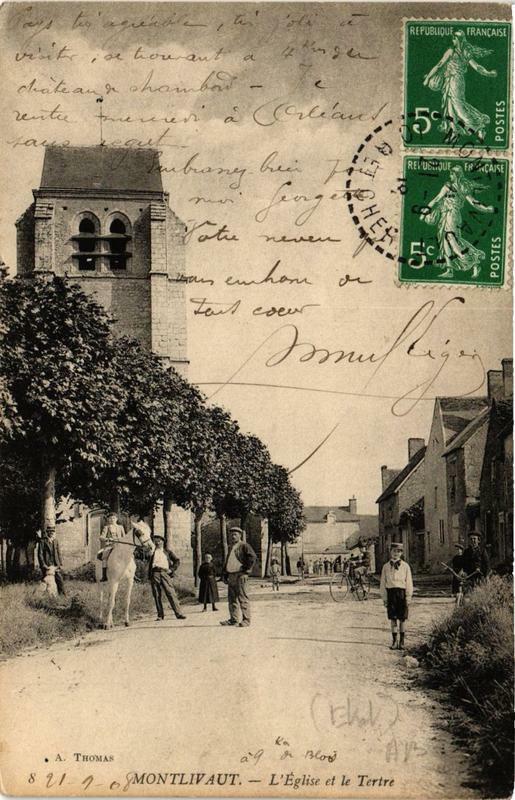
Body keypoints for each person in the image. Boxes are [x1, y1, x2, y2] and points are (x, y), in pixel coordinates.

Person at [420, 165, 495, 279]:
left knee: (451, 238)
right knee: (446, 241)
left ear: (457, 175)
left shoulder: (463, 187)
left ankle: (473, 261)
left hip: (453, 215)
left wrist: (486, 209)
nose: (450, 176)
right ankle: (450, 269)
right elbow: (437, 199)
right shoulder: (447, 186)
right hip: (445, 215)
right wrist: (427, 209)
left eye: (452, 174)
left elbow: (473, 202)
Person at [423, 30, 497, 142]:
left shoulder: (451, 51)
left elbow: (439, 66)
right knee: (450, 108)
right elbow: (477, 67)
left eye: (454, 38)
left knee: (459, 107)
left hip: (454, 81)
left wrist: (428, 78)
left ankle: (479, 128)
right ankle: (454, 132)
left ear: (458, 39)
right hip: (454, 81)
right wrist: (488, 73)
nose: (452, 40)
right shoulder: (466, 52)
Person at [380, 543, 413, 651]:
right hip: (391, 594)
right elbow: (382, 583)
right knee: (393, 618)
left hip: (402, 594)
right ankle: (394, 641)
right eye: (394, 551)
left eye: (398, 551)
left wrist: (408, 597)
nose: (396, 553)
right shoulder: (385, 566)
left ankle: (402, 642)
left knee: (402, 618)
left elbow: (409, 582)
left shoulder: (405, 566)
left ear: (401, 553)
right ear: (390, 552)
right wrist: (384, 598)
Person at [220, 527, 256, 627]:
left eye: (235, 534)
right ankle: (233, 619)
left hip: (240, 575)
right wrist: (225, 574)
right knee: (232, 599)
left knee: (242, 597)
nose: (232, 536)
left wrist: (245, 568)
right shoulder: (232, 547)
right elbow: (228, 561)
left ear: (240, 535)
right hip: (231, 575)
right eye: (231, 534)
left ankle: (246, 620)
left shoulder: (244, 545)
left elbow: (252, 557)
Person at [149, 536, 186, 622]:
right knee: (157, 595)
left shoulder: (167, 552)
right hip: (155, 573)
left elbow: (177, 560)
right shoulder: (152, 552)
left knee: (171, 593)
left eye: (159, 541)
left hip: (165, 573)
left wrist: (172, 569)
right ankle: (160, 615)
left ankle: (179, 613)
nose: (158, 543)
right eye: (156, 542)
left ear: (163, 542)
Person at [37, 527, 65, 596]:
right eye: (50, 531)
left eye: (53, 531)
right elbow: (40, 554)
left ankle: (62, 596)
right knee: (45, 582)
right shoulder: (43, 541)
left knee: (59, 580)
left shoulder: (56, 541)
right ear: (47, 532)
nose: (51, 533)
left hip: (55, 565)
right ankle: (41, 596)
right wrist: (43, 564)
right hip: (47, 565)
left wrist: (60, 564)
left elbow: (59, 553)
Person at [98, 512, 126, 582]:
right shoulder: (106, 527)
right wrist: (107, 539)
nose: (112, 519)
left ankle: (131, 573)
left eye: (113, 518)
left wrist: (120, 541)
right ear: (108, 519)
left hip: (119, 545)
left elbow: (124, 537)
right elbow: (101, 537)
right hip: (110, 545)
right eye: (110, 518)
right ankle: (104, 576)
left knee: (130, 555)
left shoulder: (120, 527)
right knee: (104, 556)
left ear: (116, 519)